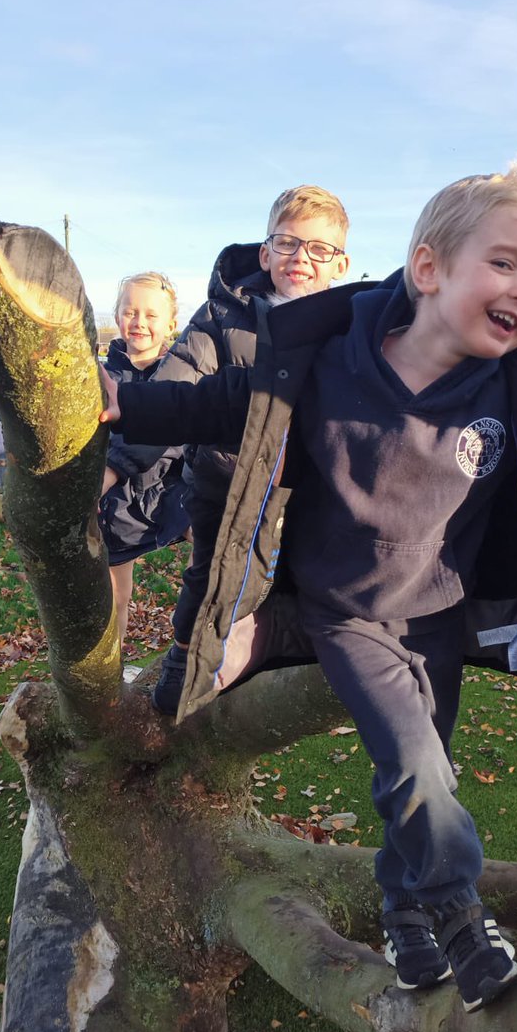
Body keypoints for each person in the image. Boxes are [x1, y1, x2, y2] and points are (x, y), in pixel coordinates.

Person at [101, 163, 517, 1013]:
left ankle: (404, 920)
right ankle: (456, 912)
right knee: (413, 768)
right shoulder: (327, 358)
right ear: (429, 269)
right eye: (505, 264)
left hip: (438, 617)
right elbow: (217, 406)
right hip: (347, 614)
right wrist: (122, 404)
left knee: (425, 766)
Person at [147, 185, 353, 714]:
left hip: (305, 487)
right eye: (287, 244)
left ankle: (263, 660)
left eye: (318, 249)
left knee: (286, 578)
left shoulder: (348, 325)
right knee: (211, 576)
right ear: (265, 253)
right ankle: (184, 666)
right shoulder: (225, 312)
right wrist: (125, 460)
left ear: (340, 262)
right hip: (226, 478)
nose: (301, 258)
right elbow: (177, 386)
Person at [98, 272, 190, 645]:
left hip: (171, 489)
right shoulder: (99, 376)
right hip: (117, 501)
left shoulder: (183, 373)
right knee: (115, 597)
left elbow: (175, 436)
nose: (139, 323)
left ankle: (190, 647)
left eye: (151, 315)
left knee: (210, 549)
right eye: (130, 311)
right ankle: (112, 669)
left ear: (170, 323)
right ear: (117, 315)